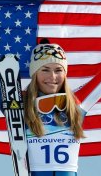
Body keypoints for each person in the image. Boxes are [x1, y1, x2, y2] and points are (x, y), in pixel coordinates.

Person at [24, 39, 84, 176]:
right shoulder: (22, 106)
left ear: (65, 74)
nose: (52, 77)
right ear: (35, 74)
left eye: (58, 70)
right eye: (45, 70)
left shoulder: (76, 106)